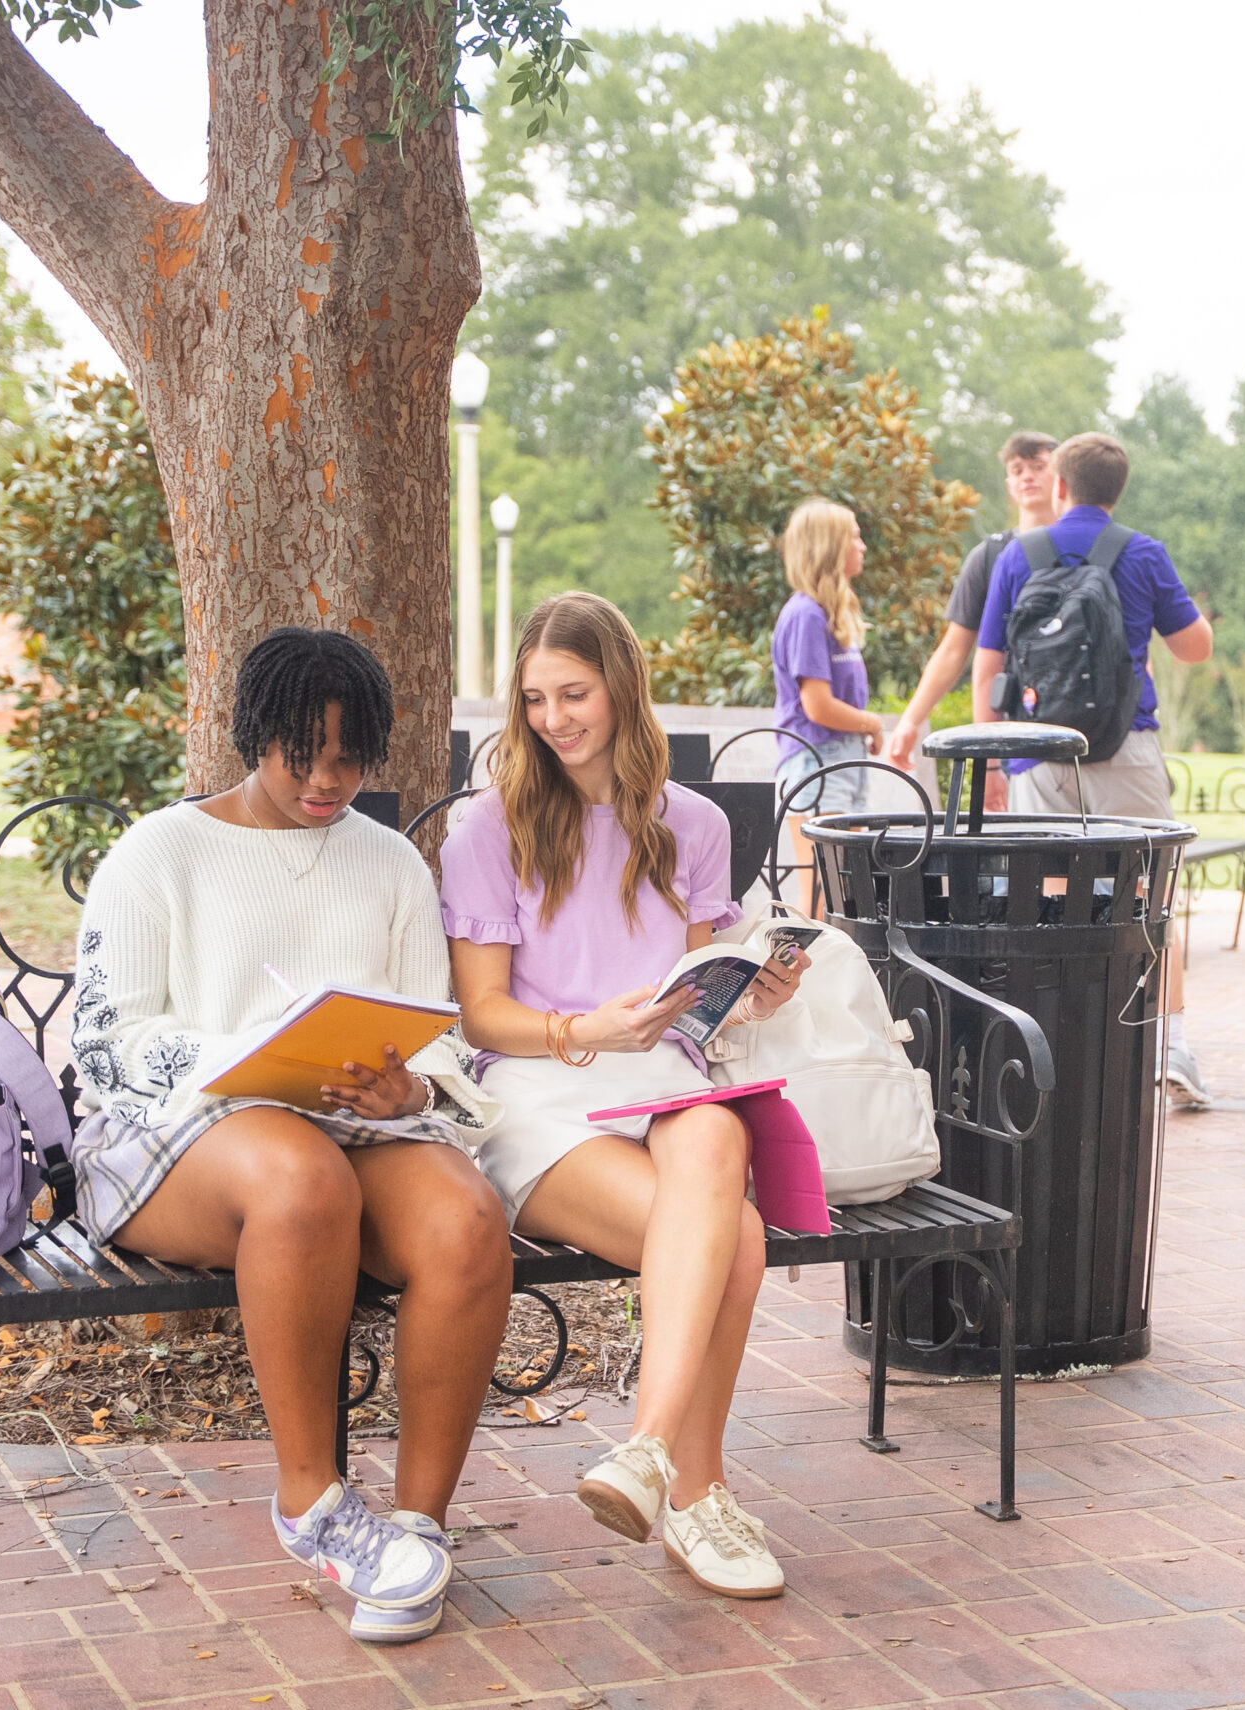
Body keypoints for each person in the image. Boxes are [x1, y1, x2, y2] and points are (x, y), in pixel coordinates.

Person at [69, 627, 513, 1645]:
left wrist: (406, 1090)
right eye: (301, 753)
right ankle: (314, 1503)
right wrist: (249, 1057)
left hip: (348, 1131)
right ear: (252, 734)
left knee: (464, 1218)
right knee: (301, 1175)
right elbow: (104, 1048)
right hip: (177, 1140)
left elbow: (437, 1040)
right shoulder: (161, 851)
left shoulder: (389, 863)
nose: (326, 780)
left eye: (350, 758)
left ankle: (413, 1537)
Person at [442, 591, 808, 1601]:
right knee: (734, 1237)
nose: (553, 719)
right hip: (540, 1090)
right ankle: (695, 1492)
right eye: (535, 699)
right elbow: (482, 1016)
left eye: (574, 694)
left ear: (621, 687)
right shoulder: (489, 827)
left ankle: (647, 1455)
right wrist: (582, 1031)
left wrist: (753, 993)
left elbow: (692, 997)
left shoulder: (692, 824)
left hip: (662, 1079)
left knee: (716, 1140)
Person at [970, 432, 1220, 1108]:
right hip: (1126, 749)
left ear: (1059, 486)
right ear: (1118, 491)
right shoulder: (1142, 552)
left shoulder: (1019, 555)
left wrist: (992, 762)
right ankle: (1170, 1044)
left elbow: (987, 668)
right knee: (1152, 893)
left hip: (1038, 753)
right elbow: (1196, 647)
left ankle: (1061, 1046)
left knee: (1048, 896)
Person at [883, 431, 1062, 808]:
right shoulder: (990, 556)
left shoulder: (1087, 548)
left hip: (1082, 725)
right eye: (1018, 469)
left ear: (1061, 475)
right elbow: (954, 650)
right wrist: (911, 721)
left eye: (1038, 466)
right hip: (1014, 728)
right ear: (1009, 485)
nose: (1027, 476)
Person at [768, 498, 883, 906]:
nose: (862, 546)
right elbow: (817, 706)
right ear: (829, 547)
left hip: (843, 760)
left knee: (845, 896)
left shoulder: (829, 613)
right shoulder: (805, 615)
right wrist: (871, 723)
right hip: (817, 761)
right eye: (854, 537)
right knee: (824, 895)